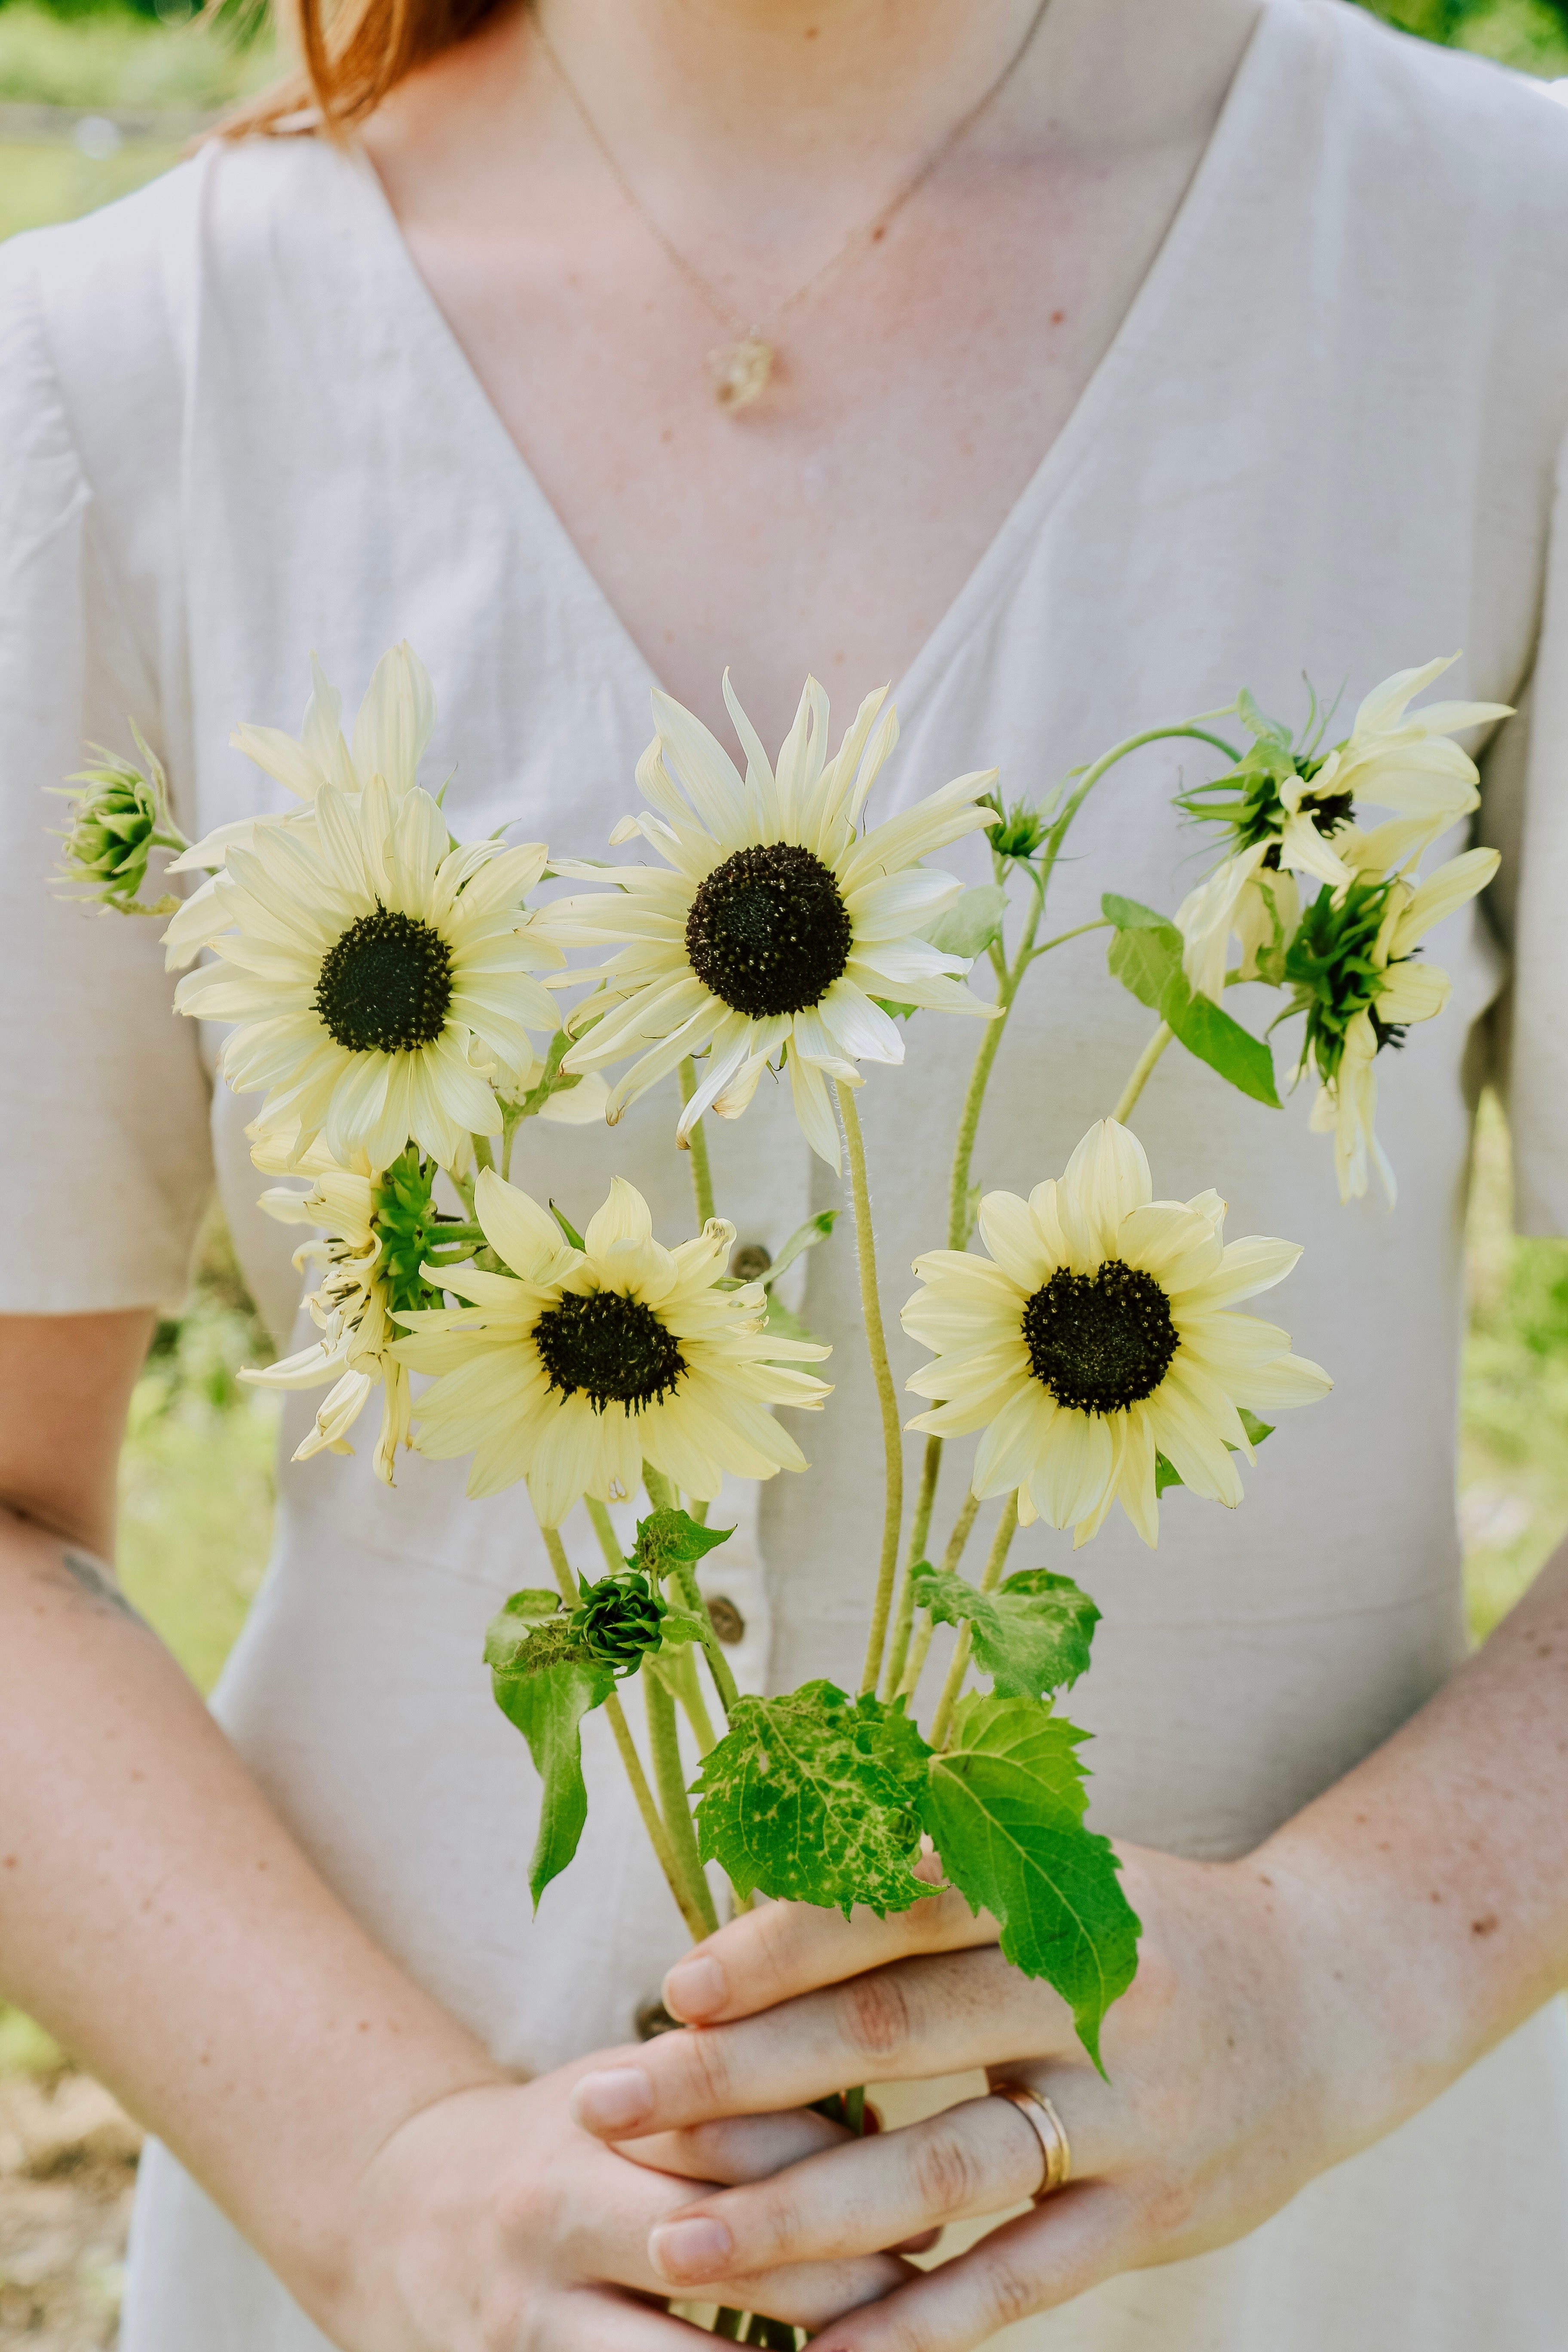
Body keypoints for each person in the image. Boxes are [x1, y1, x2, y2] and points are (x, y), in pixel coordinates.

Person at [3, 0, 1568, 2342]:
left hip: (1317, 2274)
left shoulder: (1493, 279)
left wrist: (1345, 1966)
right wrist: (384, 2183)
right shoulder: (122, 380)